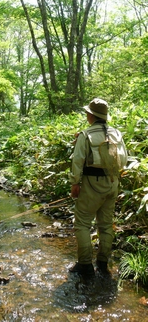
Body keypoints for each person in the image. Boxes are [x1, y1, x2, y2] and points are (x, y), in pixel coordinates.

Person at [69, 98, 128, 277]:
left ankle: (85, 264)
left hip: (91, 184)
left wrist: (75, 184)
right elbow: (124, 160)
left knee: (82, 223)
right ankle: (103, 262)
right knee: (105, 224)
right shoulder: (116, 133)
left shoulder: (85, 135)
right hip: (112, 183)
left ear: (91, 115)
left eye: (87, 112)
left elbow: (77, 161)